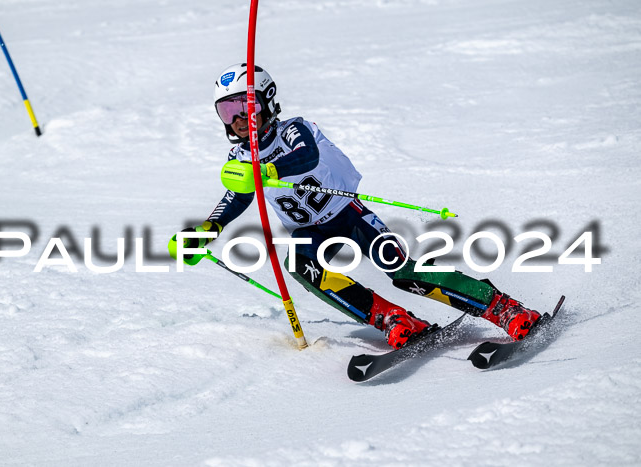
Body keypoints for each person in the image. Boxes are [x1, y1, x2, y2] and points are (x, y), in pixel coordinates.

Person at [169, 63, 542, 349]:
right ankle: (392, 320)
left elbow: (306, 157)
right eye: (225, 111)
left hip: (348, 216)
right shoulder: (240, 157)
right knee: (299, 265)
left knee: (402, 271)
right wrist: (208, 229)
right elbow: (239, 194)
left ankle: (502, 307)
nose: (235, 120)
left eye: (242, 106)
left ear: (265, 101)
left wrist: (266, 170)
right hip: (307, 232)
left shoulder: (295, 130)